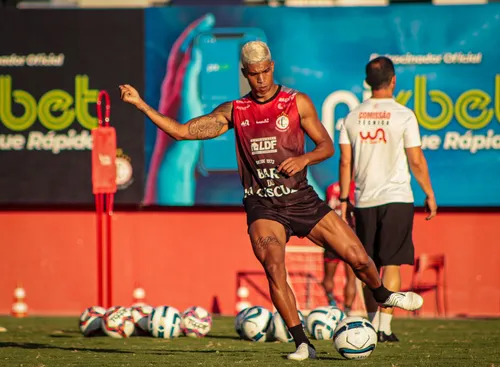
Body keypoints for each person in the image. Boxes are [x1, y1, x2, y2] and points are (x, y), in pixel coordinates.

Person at [120, 41, 424, 361]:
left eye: (265, 72)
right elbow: (182, 132)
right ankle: (302, 343)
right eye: (254, 74)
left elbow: (326, 146)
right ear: (245, 74)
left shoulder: (297, 102)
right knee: (274, 266)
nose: (261, 79)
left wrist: (304, 160)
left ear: (272, 67)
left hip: (302, 200)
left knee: (359, 257)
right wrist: (141, 104)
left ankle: (383, 294)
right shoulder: (234, 111)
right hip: (263, 206)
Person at [339, 56, 437, 343]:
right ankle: (384, 327)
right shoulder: (404, 114)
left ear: (367, 82)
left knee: (367, 266)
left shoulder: (352, 116)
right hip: (397, 198)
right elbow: (416, 160)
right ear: (393, 81)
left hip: (363, 199)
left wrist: (345, 200)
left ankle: (371, 326)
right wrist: (429, 194)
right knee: (391, 265)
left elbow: (346, 163)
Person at [322, 181, 357, 315]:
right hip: (350, 236)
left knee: (328, 277)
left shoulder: (331, 187)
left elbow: (326, 209)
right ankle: (347, 311)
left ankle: (332, 303)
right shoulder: (357, 188)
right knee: (351, 278)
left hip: (332, 235)